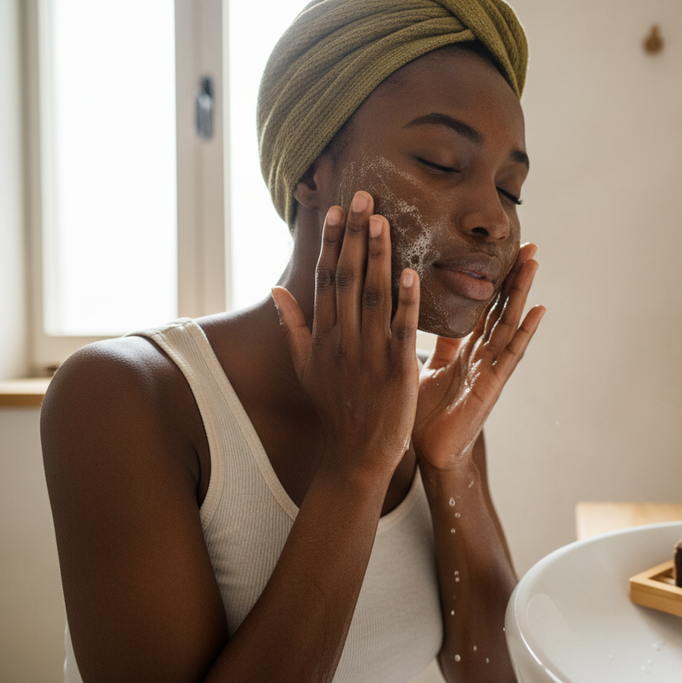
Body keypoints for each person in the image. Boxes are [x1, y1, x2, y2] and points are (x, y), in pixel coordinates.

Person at [39, 1, 544, 681]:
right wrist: (357, 466)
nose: (494, 219)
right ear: (312, 169)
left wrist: (448, 462)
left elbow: (488, 671)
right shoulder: (124, 397)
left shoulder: (428, 410)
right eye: (442, 160)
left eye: (510, 188)